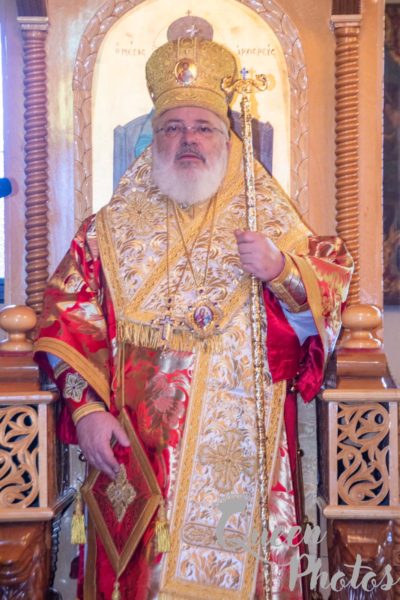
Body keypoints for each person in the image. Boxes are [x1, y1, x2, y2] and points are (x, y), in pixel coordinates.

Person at [34, 36, 353, 600]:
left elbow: (321, 306)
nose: (188, 139)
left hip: (244, 461)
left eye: (203, 127)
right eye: (172, 127)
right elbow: (67, 316)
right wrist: (86, 411)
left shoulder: (266, 216)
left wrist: (281, 269)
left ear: (226, 137)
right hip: (137, 456)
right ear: (152, 138)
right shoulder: (106, 231)